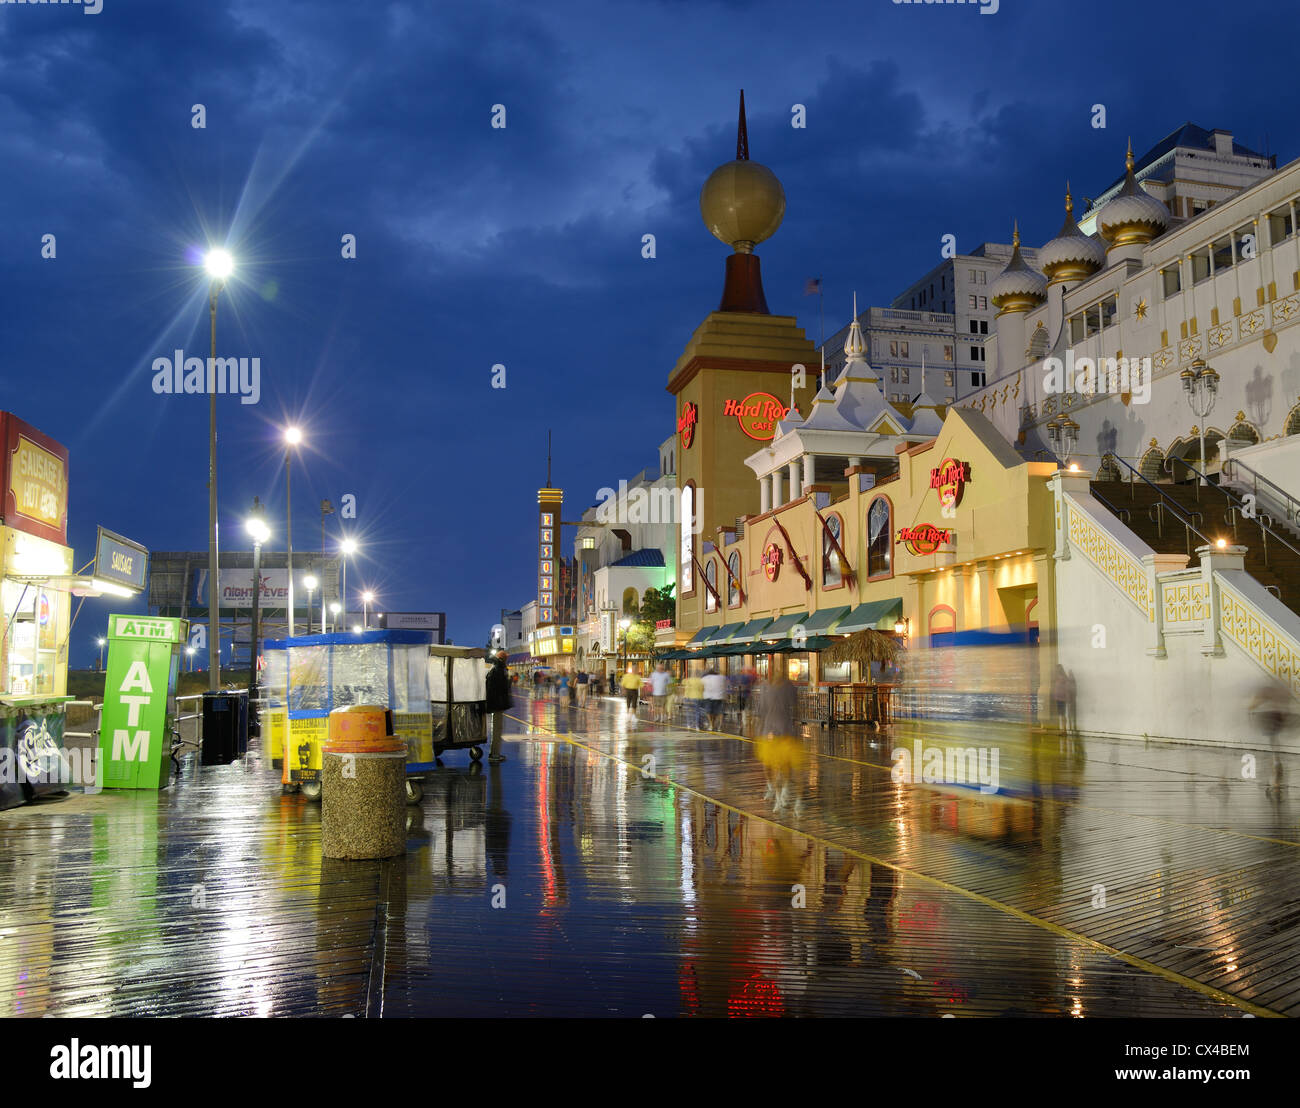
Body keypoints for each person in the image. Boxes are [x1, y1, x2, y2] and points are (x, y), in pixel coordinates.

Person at [485, 650, 513, 764]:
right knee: (497, 729)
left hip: (496, 703)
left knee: (497, 729)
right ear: (503, 659)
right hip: (497, 704)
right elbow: (500, 688)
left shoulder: (495, 668)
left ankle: (495, 752)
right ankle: (494, 754)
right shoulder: (498, 670)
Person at [702, 666, 727, 731]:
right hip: (720, 696)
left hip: (708, 696)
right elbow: (726, 686)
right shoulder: (722, 677)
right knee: (719, 712)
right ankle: (720, 726)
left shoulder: (705, 678)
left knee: (709, 711)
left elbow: (701, 687)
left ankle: (711, 725)